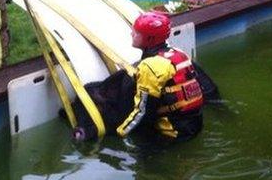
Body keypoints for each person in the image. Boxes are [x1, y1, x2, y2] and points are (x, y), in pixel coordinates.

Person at [72, 12, 216, 142]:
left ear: (149, 39)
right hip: (194, 125)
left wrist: (120, 133)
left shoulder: (149, 67)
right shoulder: (178, 53)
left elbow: (143, 111)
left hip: (171, 134)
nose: (131, 34)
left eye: (136, 33)